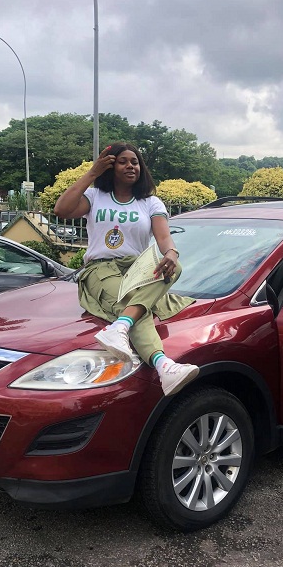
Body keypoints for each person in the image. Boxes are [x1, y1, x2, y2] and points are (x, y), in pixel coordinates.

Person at [54, 142, 199, 397]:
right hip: (101, 267)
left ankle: (120, 326)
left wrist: (172, 254)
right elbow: (62, 209)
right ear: (110, 166)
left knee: (173, 267)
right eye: (123, 161)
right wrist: (92, 173)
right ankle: (163, 364)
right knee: (134, 305)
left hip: (136, 267)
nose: (130, 166)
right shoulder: (95, 196)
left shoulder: (150, 202)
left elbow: (164, 239)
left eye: (135, 161)